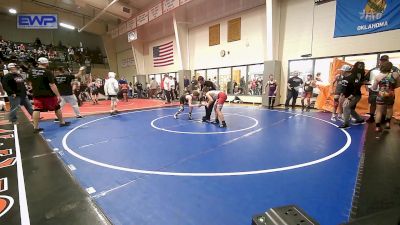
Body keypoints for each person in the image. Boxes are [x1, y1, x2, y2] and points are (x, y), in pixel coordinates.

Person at [27, 57, 70, 133]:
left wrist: (33, 88)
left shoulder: (31, 71)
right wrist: (58, 95)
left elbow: (29, 82)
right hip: (48, 94)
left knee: (36, 109)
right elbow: (52, 85)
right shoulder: (47, 72)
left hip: (37, 94)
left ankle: (36, 128)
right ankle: (62, 122)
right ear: (45, 63)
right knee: (57, 107)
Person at [366, 55, 399, 123]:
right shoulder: (373, 69)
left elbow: (397, 80)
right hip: (375, 90)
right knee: (373, 104)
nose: (383, 61)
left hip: (384, 90)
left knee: (384, 106)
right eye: (382, 60)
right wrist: (367, 87)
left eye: (385, 60)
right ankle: (372, 117)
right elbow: (366, 79)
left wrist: (392, 87)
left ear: (388, 60)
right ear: (380, 60)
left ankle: (382, 119)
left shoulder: (394, 69)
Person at [371, 61, 400, 131]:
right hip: (391, 94)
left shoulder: (378, 76)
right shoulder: (395, 74)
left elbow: (374, 88)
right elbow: (398, 85)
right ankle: (387, 123)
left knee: (379, 111)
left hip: (381, 94)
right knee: (389, 109)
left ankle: (377, 127)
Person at [339, 62, 366, 129]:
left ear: (345, 71)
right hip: (348, 95)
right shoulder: (344, 77)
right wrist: (342, 94)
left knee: (345, 106)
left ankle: (346, 124)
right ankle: (360, 119)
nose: (341, 71)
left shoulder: (353, 77)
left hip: (355, 96)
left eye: (342, 70)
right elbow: (344, 87)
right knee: (350, 108)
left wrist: (349, 98)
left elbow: (356, 89)